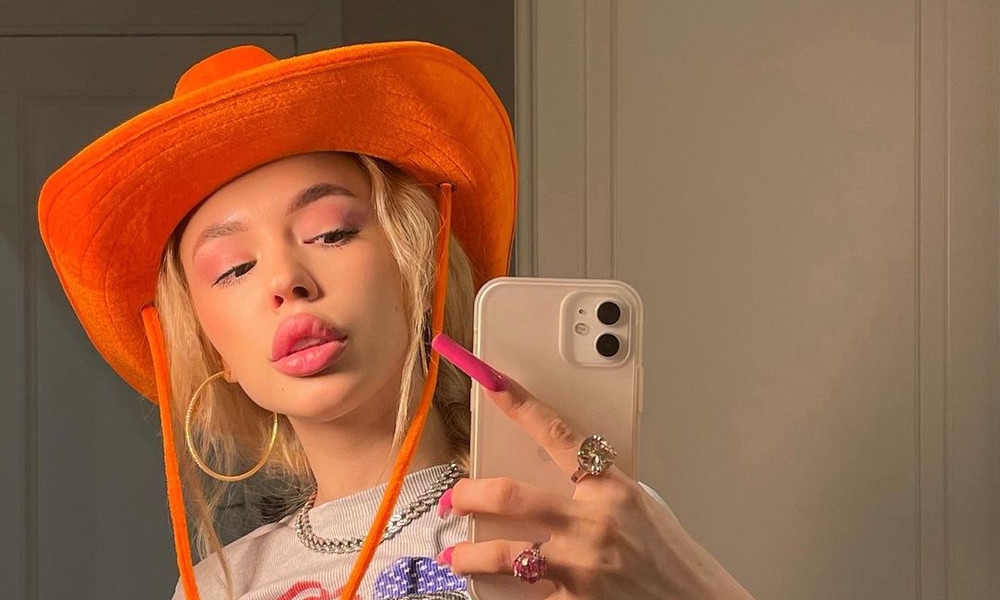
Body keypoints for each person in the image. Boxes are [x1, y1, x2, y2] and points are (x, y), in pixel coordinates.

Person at [37, 42, 755, 600]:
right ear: (209, 344)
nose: (286, 280)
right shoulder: (220, 587)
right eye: (232, 269)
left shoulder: (577, 524)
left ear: (418, 265)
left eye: (331, 232)